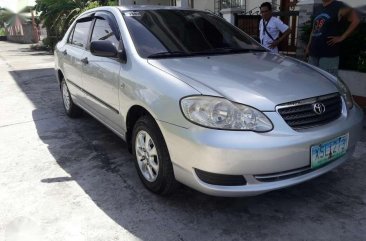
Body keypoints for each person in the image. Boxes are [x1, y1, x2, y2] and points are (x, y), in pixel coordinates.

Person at [305, 0, 360, 76]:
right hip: (313, 52)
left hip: (329, 53)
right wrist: (308, 45)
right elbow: (314, 29)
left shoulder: (339, 5)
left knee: (326, 82)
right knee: (311, 80)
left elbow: (356, 20)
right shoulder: (317, 8)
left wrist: (342, 37)